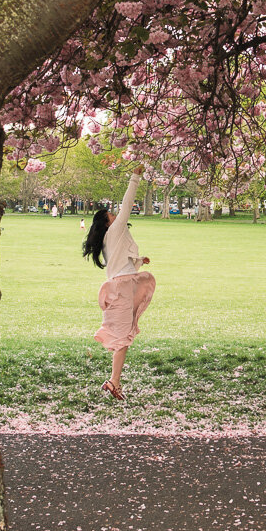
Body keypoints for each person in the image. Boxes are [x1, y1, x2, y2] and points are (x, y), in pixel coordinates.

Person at [82, 169, 155, 401]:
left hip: (123, 284)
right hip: (122, 289)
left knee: (124, 335)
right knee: (123, 337)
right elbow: (127, 204)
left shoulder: (110, 237)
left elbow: (119, 261)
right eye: (111, 215)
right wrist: (135, 177)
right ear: (107, 222)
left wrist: (137, 261)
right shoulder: (114, 230)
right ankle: (114, 382)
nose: (116, 215)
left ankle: (114, 381)